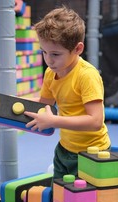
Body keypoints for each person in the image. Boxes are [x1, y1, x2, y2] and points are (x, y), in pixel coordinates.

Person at [24, 6, 111, 179]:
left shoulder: (87, 75)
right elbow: (43, 105)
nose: (48, 60)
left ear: (78, 49)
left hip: (93, 153)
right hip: (64, 150)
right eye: (44, 52)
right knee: (59, 199)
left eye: (55, 54)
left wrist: (53, 121)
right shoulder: (51, 72)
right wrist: (4, 104)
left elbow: (95, 121)